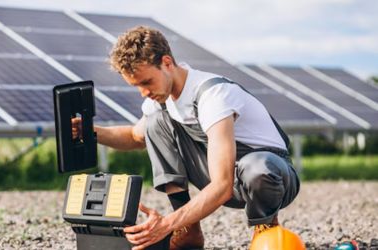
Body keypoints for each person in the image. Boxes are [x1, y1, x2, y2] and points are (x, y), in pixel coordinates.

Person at [72, 26, 300, 250]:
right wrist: (91, 132)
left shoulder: (213, 95)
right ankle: (189, 231)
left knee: (257, 167)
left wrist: (166, 225)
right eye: (136, 86)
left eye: (146, 82)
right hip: (226, 177)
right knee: (156, 122)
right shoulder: (162, 100)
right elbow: (134, 136)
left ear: (167, 63)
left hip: (273, 177)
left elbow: (223, 186)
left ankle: (266, 230)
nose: (144, 93)